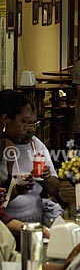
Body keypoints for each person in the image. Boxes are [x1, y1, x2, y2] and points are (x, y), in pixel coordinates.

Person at [4, 101, 62, 226]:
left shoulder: (36, 145)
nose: (30, 129)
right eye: (25, 123)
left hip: (36, 219)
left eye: (34, 124)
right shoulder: (6, 148)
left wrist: (47, 179)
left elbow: (56, 189)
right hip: (9, 223)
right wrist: (15, 189)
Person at [0, 90, 33, 236]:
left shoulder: (7, 147)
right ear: (5, 120)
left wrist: (15, 190)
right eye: (23, 121)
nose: (26, 128)